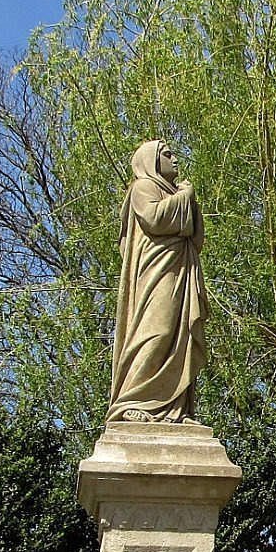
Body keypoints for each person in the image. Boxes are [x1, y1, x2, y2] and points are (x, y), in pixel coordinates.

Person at [107, 139, 208, 422]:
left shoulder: (172, 191)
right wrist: (185, 197)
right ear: (151, 161)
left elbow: (196, 238)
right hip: (155, 273)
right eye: (167, 155)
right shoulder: (143, 187)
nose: (175, 159)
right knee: (158, 332)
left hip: (180, 271)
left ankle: (174, 409)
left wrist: (186, 199)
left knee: (180, 337)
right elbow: (154, 219)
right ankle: (132, 400)